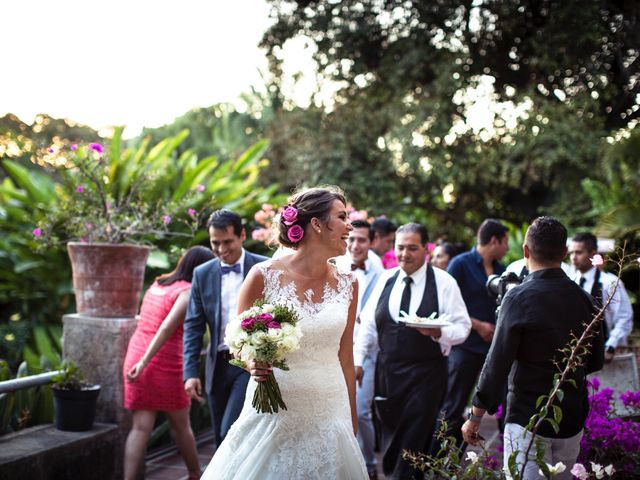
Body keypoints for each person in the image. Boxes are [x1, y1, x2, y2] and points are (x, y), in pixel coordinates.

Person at [201, 186, 369, 479]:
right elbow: (238, 341)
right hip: (275, 413)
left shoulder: (349, 284)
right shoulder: (263, 276)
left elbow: (345, 356)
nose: (349, 225)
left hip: (330, 411)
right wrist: (251, 361)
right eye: (342, 217)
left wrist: (350, 417)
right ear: (316, 224)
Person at [462, 216, 605, 480]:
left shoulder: (516, 298)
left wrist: (475, 416)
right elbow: (595, 361)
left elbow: (496, 364)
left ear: (526, 251)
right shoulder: (586, 300)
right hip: (571, 420)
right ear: (564, 253)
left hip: (528, 418)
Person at [355, 223, 471, 480]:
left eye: (412, 248)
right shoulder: (386, 279)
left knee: (414, 437)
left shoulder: (444, 282)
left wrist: (438, 332)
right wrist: (358, 360)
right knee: (391, 439)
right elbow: (369, 325)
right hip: (388, 374)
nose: (404, 254)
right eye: (400, 247)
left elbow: (463, 327)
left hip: (427, 375)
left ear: (426, 249)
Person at [123, 246, 215, 480]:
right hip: (164, 362)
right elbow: (166, 328)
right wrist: (146, 362)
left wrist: (141, 361)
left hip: (137, 353)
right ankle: (195, 474)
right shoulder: (187, 292)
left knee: (140, 428)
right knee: (182, 426)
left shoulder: (158, 284)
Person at [182, 210, 268, 447]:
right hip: (217, 365)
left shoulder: (264, 268)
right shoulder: (202, 273)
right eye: (215, 243)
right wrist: (190, 372)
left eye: (227, 242)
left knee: (231, 431)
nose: (221, 250)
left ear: (242, 235)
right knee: (221, 439)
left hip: (249, 365)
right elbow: (193, 325)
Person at [434, 218, 509, 450]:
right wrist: (478, 325)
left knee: (500, 404)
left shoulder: (501, 270)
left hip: (492, 349)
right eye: (505, 241)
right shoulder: (461, 263)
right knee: (453, 405)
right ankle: (436, 461)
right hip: (464, 346)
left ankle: (505, 456)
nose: (507, 247)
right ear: (494, 240)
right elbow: (447, 306)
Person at [336, 219, 384, 479]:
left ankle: (367, 463)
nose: (355, 245)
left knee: (362, 409)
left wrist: (361, 355)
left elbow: (374, 315)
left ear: (372, 241)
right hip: (335, 346)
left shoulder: (379, 269)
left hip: (366, 349)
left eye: (362, 240)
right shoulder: (336, 263)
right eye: (351, 239)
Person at [569, 232, 634, 362]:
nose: (573, 257)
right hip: (573, 357)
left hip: (605, 356)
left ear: (593, 254)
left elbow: (624, 317)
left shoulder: (610, 283)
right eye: (571, 253)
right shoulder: (570, 282)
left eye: (579, 252)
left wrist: (610, 346)